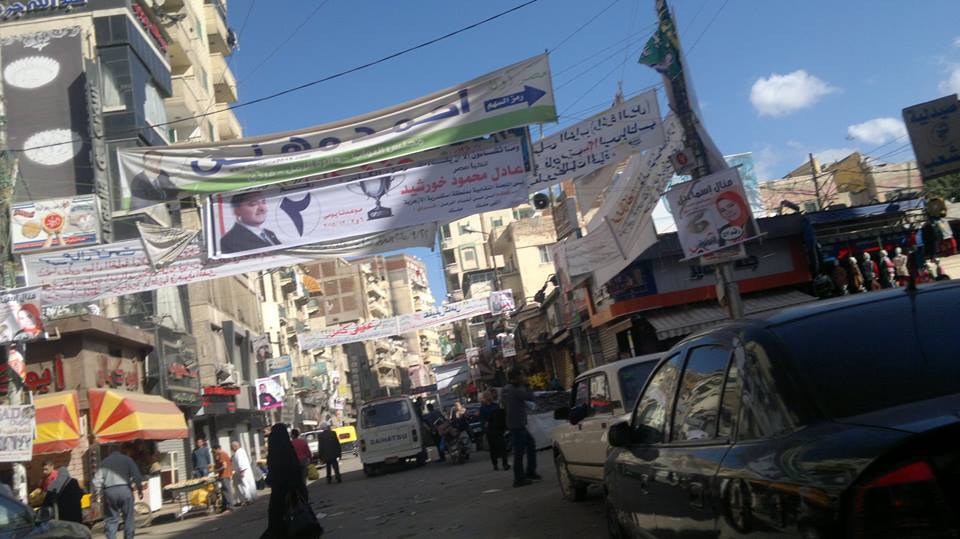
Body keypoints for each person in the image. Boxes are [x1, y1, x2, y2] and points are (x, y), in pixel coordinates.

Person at [261, 424, 320, 538]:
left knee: (278, 522)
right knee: (299, 518)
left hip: (279, 494)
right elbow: (295, 470)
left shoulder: (274, 450)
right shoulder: (289, 448)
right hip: (294, 491)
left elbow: (273, 472)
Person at [92, 444, 143, 539]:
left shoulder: (104, 462)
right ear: (120, 450)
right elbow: (136, 475)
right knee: (128, 518)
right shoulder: (127, 460)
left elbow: (96, 481)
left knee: (111, 519)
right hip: (125, 490)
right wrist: (140, 489)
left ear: (109, 451)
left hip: (109, 492)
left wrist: (97, 494)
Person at [503, 368, 540, 487]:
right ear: (516, 377)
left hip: (514, 423)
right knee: (519, 451)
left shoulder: (506, 389)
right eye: (521, 376)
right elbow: (530, 396)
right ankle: (519, 478)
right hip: (518, 424)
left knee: (529, 444)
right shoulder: (515, 390)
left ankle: (530, 472)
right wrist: (527, 385)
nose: (523, 378)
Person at [479, 391, 510, 471]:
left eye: (489, 395)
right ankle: (495, 464)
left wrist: (504, 427)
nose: (489, 397)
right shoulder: (483, 408)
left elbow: (501, 416)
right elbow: (482, 420)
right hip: (490, 431)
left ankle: (505, 464)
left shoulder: (496, 405)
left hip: (498, 429)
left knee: (502, 447)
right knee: (493, 449)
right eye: (487, 396)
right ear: (485, 398)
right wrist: (485, 430)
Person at [231, 441, 258, 505]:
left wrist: (242, 471)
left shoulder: (238, 452)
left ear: (235, 446)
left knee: (244, 486)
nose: (231, 448)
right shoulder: (241, 451)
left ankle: (248, 499)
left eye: (232, 447)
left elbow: (241, 462)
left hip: (242, 472)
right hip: (244, 471)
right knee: (247, 485)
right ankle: (250, 498)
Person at [212, 444, 235, 513]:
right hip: (222, 475)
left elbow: (224, 466)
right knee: (223, 492)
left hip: (225, 475)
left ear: (218, 449)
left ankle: (230, 507)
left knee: (227, 491)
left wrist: (216, 470)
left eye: (214, 451)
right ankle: (224, 507)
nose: (214, 453)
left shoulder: (222, 454)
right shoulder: (220, 455)